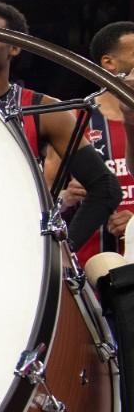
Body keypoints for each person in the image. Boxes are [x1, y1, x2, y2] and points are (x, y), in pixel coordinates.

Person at [0, 1, 119, 250]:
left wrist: (62, 250)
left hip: (17, 244)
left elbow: (106, 188)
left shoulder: (44, 109)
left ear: (14, 47)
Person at [64, 21, 134, 263]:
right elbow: (46, 194)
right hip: (91, 267)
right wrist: (65, 196)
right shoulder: (74, 119)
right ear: (109, 63)